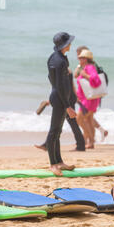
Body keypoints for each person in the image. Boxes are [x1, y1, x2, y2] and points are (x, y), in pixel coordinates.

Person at [45, 32, 77, 176]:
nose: (70, 44)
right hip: (59, 99)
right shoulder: (59, 61)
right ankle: (53, 164)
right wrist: (68, 106)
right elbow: (59, 85)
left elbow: (53, 79)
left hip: (59, 98)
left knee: (58, 131)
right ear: (64, 45)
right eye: (69, 42)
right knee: (54, 131)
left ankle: (59, 162)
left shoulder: (57, 58)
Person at [74, 46, 108, 144]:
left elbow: (96, 81)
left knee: (79, 119)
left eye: (81, 58)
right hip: (87, 98)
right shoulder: (85, 67)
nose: (78, 59)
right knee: (88, 120)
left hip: (89, 100)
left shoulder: (90, 68)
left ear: (86, 59)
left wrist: (85, 75)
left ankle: (89, 139)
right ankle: (91, 142)